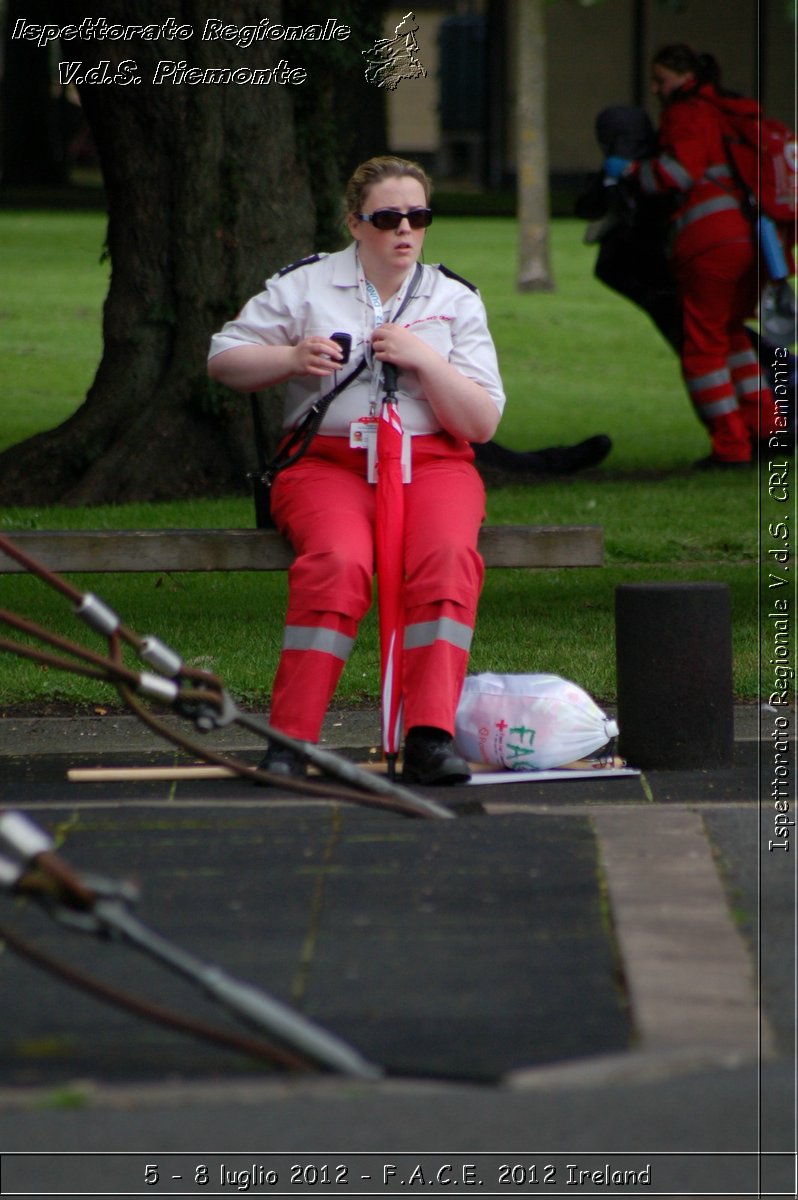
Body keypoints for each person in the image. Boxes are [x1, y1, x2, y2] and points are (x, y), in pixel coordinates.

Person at [208, 155, 505, 785]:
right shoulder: (306, 285)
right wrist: (290, 357)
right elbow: (225, 360)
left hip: (433, 463)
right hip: (328, 464)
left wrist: (429, 363)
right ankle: (292, 740)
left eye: (418, 216)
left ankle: (429, 736)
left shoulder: (454, 297)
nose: (405, 230)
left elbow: (480, 424)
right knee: (338, 564)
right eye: (388, 217)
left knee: (448, 559)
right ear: (355, 222)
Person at [603, 44, 781, 469]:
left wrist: (629, 172)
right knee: (732, 335)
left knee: (702, 350)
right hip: (756, 242)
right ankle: (769, 429)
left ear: (683, 78)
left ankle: (731, 447)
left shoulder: (688, 112)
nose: (655, 88)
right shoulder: (728, 108)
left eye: (661, 79)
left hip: (711, 243)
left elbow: (678, 172)